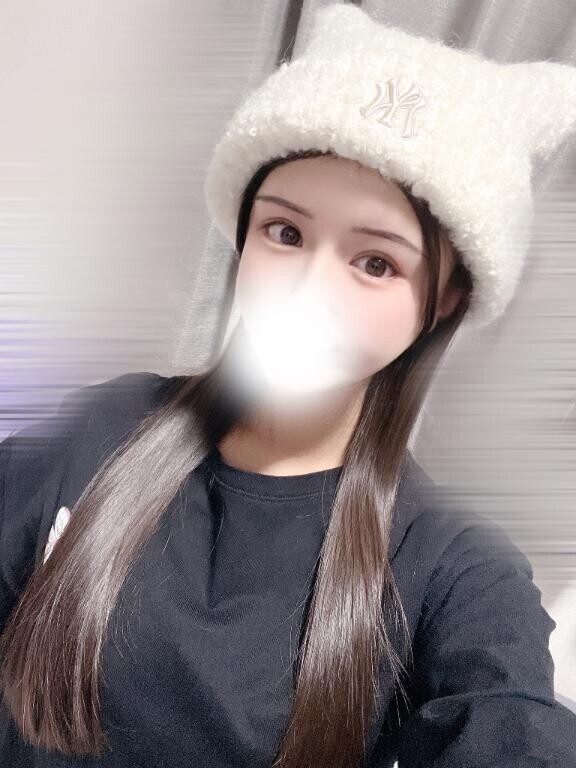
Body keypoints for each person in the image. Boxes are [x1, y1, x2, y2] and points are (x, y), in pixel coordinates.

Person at [1, 4, 576, 767]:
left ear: (442, 301)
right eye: (286, 232)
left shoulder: (449, 563)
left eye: (375, 263)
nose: (308, 290)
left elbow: (511, 725)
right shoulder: (108, 425)